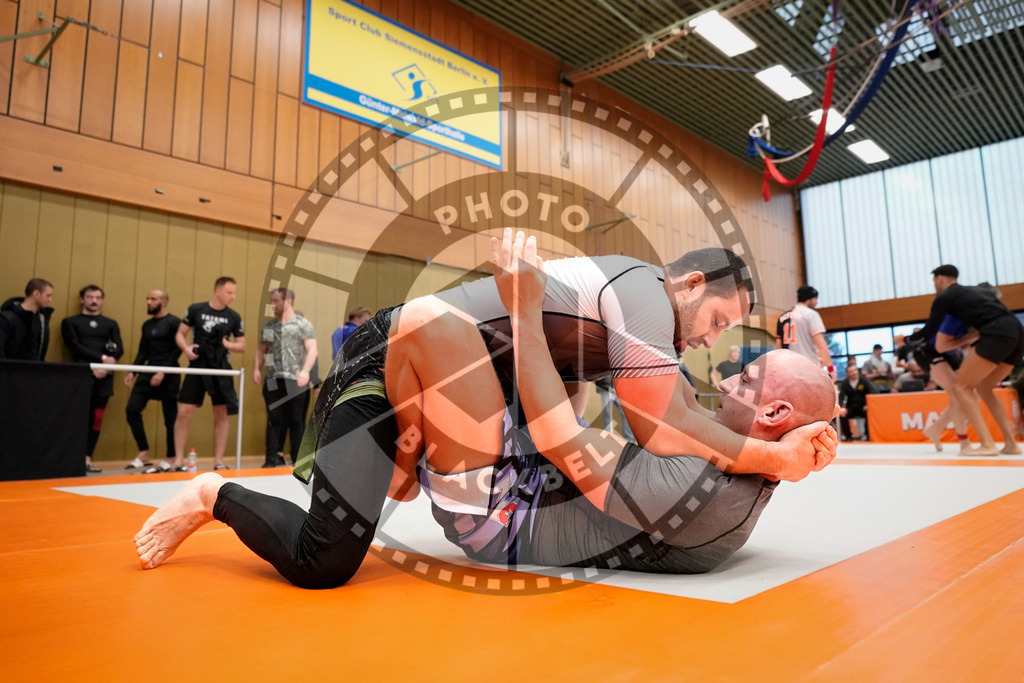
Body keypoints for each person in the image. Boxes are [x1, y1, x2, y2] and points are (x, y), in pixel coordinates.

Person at [134, 231, 837, 587]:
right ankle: (212, 490)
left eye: (744, 373)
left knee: (328, 557)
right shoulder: (648, 300)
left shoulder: (658, 339)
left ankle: (409, 446)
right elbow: (664, 420)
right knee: (325, 560)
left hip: (469, 399)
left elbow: (676, 412)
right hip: (395, 358)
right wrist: (779, 454)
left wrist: (799, 440)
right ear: (685, 284)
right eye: (717, 320)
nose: (716, 349)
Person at [906, 265, 1024, 455]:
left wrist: (906, 341)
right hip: (1016, 332)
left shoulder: (949, 302)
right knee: (982, 388)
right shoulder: (975, 300)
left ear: (940, 278)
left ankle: (986, 444)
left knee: (961, 389)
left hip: (992, 335)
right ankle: (1010, 444)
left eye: (934, 280)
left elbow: (932, 335)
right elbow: (943, 345)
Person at [172, 277, 245, 471]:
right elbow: (180, 334)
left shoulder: (234, 316)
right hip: (197, 367)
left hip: (221, 369)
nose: (233, 296)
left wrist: (227, 344)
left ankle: (218, 461)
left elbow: (242, 345)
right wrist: (186, 348)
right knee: (184, 412)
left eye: (234, 292)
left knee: (221, 413)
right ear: (218, 291)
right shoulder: (196, 309)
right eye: (230, 292)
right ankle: (179, 460)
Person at [61, 285, 124, 472]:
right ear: (82, 299)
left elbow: (118, 348)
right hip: (81, 377)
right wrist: (101, 360)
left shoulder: (110, 323)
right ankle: (73, 459)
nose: (94, 301)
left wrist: (105, 366)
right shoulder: (71, 322)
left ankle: (87, 458)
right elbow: (75, 346)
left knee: (96, 418)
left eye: (98, 297)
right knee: (78, 418)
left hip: (103, 378)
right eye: (90, 297)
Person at [253, 288, 317, 468]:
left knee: (296, 419)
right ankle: (270, 459)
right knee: (274, 418)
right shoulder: (269, 326)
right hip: (273, 379)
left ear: (287, 301)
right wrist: (256, 369)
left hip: (296, 379)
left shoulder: (303, 324)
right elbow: (262, 350)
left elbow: (312, 350)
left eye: (275, 301)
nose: (272, 305)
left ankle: (298, 461)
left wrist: (305, 371)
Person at [123, 290, 182, 470]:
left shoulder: (174, 322)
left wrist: (162, 372)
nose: (148, 302)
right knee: (132, 409)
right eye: (147, 298)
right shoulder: (147, 325)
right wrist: (133, 371)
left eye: (153, 299)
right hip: (147, 371)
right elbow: (143, 351)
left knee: (170, 417)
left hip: (168, 373)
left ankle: (171, 456)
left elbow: (177, 350)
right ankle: (144, 452)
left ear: (163, 302)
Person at [776, 285, 835, 380]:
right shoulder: (811, 314)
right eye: (815, 299)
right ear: (809, 298)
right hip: (809, 369)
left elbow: (778, 348)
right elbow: (821, 344)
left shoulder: (782, 317)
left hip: (788, 370)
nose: (817, 302)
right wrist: (831, 369)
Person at [0, 278, 54, 361]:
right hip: (10, 370)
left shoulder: (42, 319)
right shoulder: (7, 317)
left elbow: (39, 348)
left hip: (34, 370)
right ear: (36, 294)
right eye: (48, 296)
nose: (50, 300)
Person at [837, 364, 875, 441]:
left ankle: (867, 435)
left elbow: (873, 391)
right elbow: (841, 397)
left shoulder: (864, 380)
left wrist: (868, 405)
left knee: (870, 412)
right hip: (851, 407)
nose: (854, 373)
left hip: (863, 407)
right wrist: (841, 408)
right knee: (842, 414)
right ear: (848, 373)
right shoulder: (845, 383)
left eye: (855, 370)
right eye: (851, 371)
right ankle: (848, 436)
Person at [594, 375, 634, 441]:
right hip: (605, 387)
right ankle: (608, 439)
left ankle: (629, 440)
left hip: (620, 386)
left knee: (626, 413)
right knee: (607, 414)